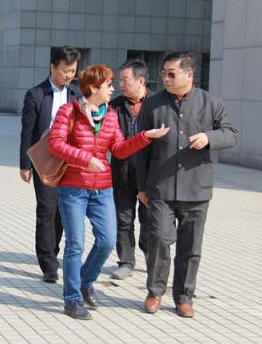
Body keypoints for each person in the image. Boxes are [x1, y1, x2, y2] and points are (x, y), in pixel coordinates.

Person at [48, 64, 169, 320]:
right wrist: (85, 159)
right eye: (109, 85)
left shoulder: (110, 115)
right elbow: (55, 144)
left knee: (107, 241)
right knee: (75, 245)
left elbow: (120, 149)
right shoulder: (68, 111)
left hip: (102, 188)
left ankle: (86, 281)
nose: (113, 89)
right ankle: (72, 299)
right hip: (73, 188)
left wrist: (145, 136)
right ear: (93, 88)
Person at [136, 52, 237, 318]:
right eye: (163, 73)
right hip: (161, 187)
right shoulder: (152, 104)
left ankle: (184, 297)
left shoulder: (211, 103)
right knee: (158, 240)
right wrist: (141, 187)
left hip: (196, 188)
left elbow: (231, 134)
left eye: (172, 73)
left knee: (190, 247)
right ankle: (155, 291)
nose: (165, 78)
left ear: (189, 75)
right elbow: (141, 147)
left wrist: (209, 137)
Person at [19, 46, 81, 283]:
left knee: (62, 211)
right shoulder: (36, 94)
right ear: (53, 67)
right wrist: (25, 164)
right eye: (65, 70)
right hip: (44, 160)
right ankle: (48, 264)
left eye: (73, 71)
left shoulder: (77, 94)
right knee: (47, 209)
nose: (69, 75)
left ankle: (53, 251)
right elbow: (27, 131)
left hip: (70, 160)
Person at [109, 60, 153, 280]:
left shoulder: (157, 104)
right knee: (123, 218)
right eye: (119, 80)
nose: (120, 85)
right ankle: (126, 261)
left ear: (141, 81)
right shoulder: (115, 106)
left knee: (149, 219)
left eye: (125, 80)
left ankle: (152, 258)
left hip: (150, 174)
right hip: (122, 172)